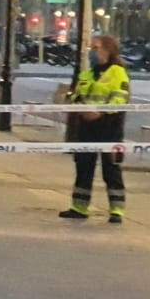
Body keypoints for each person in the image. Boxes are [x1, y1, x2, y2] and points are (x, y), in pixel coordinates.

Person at [61, 34, 129, 223]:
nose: (92, 51)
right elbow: (74, 96)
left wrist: (100, 112)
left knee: (111, 169)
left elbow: (120, 98)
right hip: (86, 127)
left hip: (109, 127)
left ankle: (117, 210)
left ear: (108, 50)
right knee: (83, 167)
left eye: (96, 47)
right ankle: (79, 207)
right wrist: (79, 107)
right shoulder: (86, 74)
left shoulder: (117, 72)